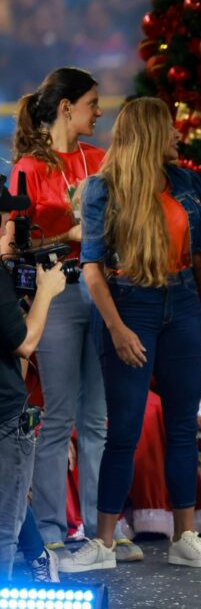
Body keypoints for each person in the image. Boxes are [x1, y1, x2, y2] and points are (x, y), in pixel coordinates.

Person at [62, 97, 201, 572]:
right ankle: (103, 543)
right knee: (125, 430)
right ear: (151, 134)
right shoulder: (103, 189)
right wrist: (116, 328)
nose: (177, 135)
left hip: (184, 304)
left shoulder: (185, 182)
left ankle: (185, 537)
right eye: (169, 128)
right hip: (130, 304)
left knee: (182, 427)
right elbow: (92, 269)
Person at [11, 67, 107, 556]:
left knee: (97, 420)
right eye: (92, 103)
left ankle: (100, 532)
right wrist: (66, 234)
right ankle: (50, 532)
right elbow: (13, 247)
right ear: (67, 107)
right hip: (57, 292)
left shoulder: (100, 160)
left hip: (102, 290)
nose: (99, 112)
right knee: (59, 416)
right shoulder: (29, 168)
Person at [0, 182, 67, 580]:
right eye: (5, 216)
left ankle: (39, 557)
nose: (8, 224)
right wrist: (46, 292)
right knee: (4, 524)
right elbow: (24, 344)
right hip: (5, 416)